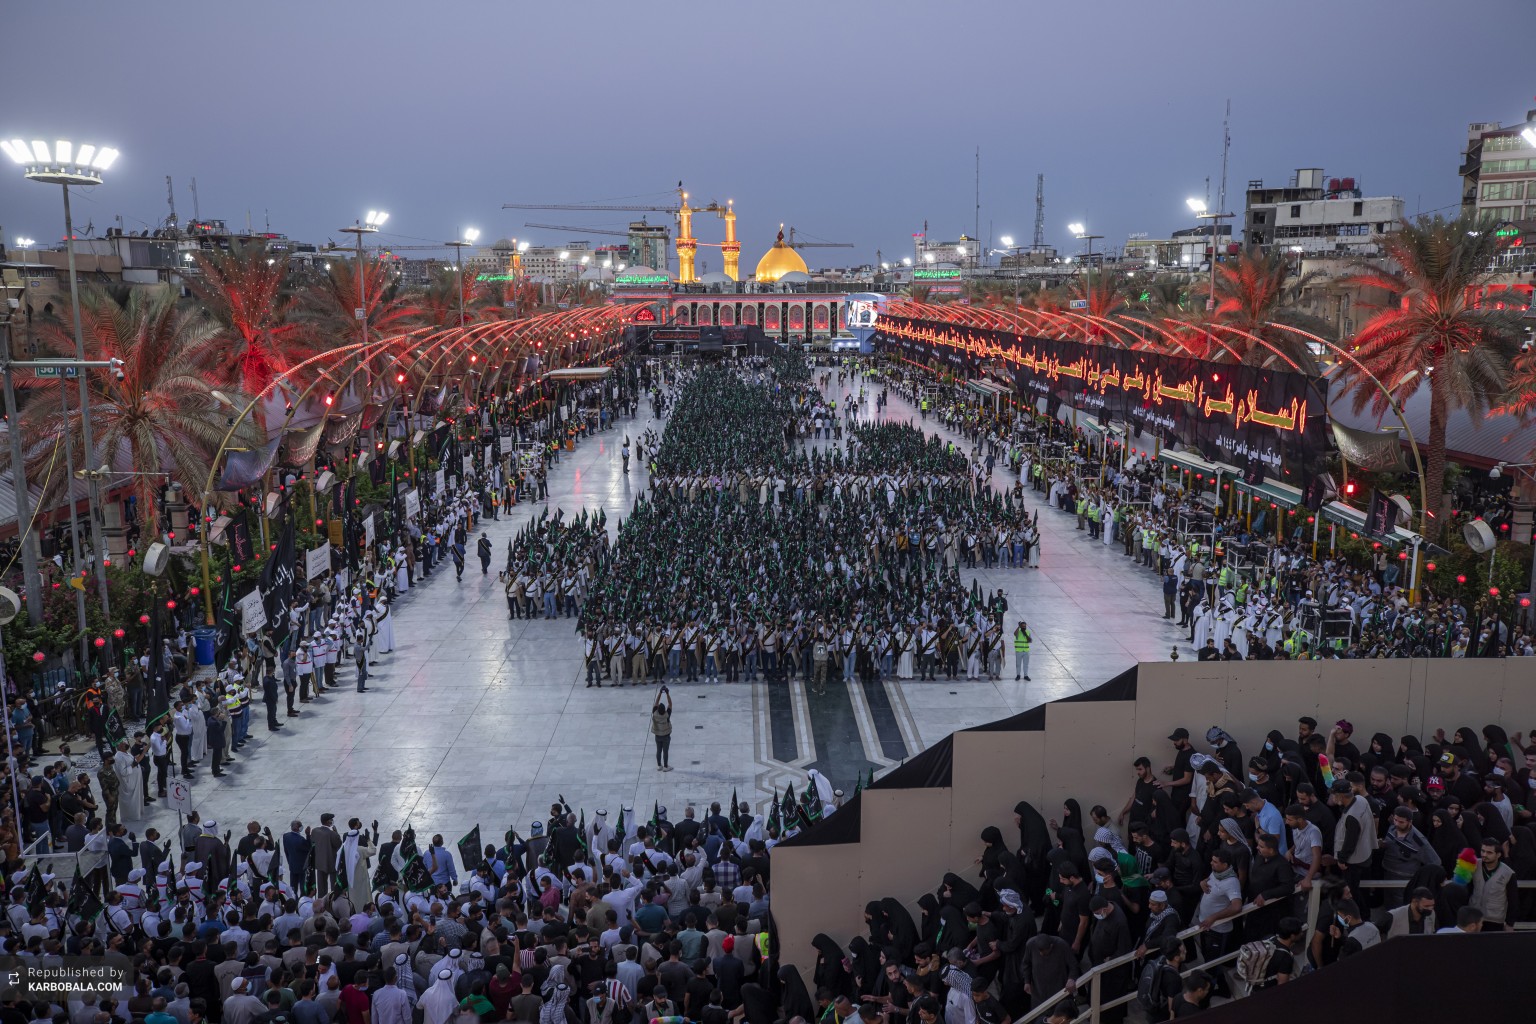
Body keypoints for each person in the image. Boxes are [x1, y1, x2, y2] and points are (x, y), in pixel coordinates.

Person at [652, 686, 673, 772]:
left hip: (657, 735)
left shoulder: (655, 713)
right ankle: (665, 766)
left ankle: (659, 765)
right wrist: (667, 694)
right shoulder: (667, 714)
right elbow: (670, 704)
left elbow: (656, 702)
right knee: (665, 751)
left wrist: (660, 692)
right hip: (666, 736)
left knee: (658, 750)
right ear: (664, 710)